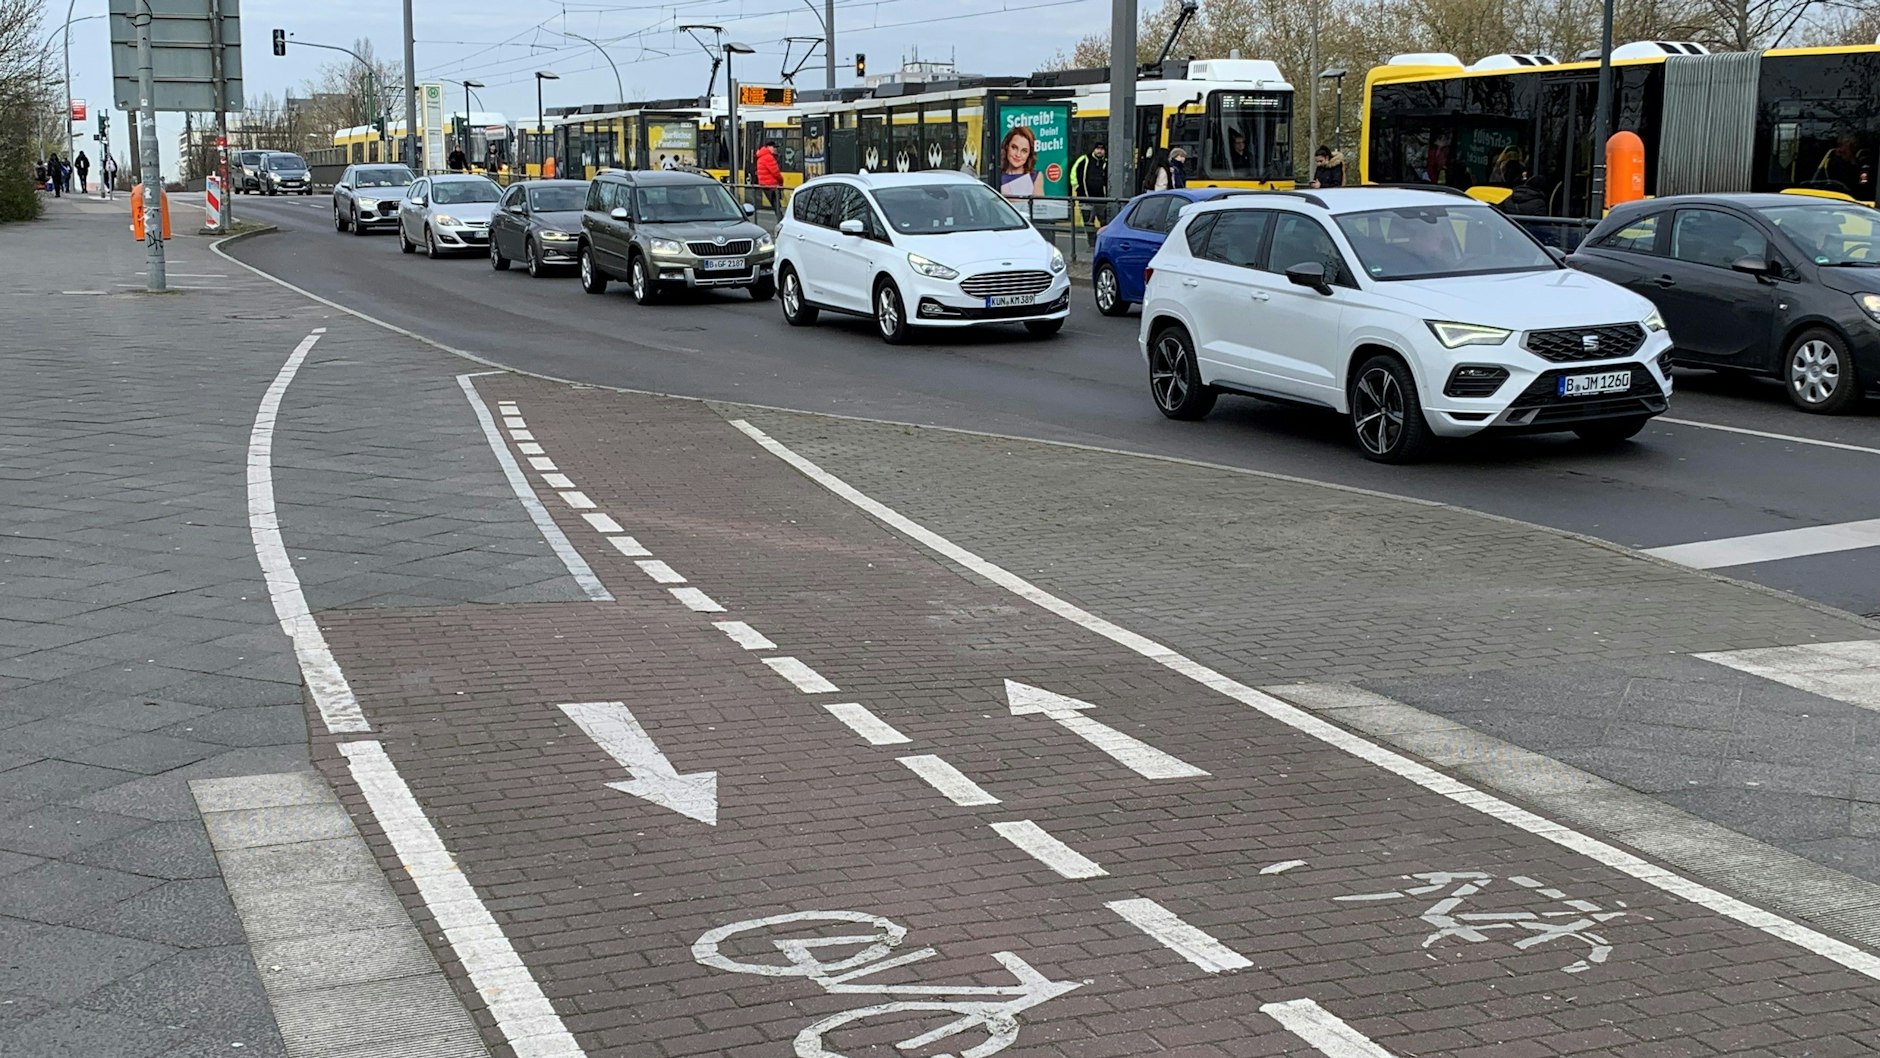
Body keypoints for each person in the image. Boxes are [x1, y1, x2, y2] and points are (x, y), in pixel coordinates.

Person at [1069, 140, 1109, 245]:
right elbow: (1073, 172)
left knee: (1104, 221)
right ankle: (1091, 243)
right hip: (1085, 198)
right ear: (1094, 149)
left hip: (1102, 199)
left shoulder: (1107, 162)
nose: (1099, 151)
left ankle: (1103, 242)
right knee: (1088, 222)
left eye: (1102, 149)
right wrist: (1077, 186)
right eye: (1098, 149)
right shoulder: (1084, 159)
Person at [997, 125, 1044, 199]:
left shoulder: (1035, 176)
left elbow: (1039, 205)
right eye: (1014, 147)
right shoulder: (996, 176)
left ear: (1029, 154)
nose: (1018, 155)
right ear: (1007, 146)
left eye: (1024, 151)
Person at [754, 141, 783, 212]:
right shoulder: (768, 157)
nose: (775, 149)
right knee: (777, 206)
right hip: (771, 185)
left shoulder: (760, 157)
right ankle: (781, 218)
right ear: (768, 147)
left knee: (775, 206)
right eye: (774, 147)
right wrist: (781, 181)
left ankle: (780, 217)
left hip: (765, 185)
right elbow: (776, 173)